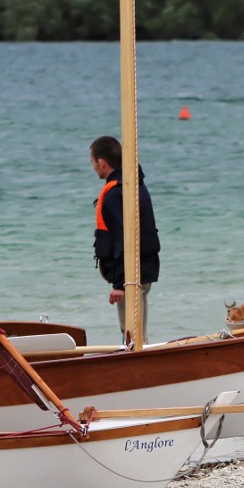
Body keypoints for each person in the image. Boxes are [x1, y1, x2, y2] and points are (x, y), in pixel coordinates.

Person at [89, 135, 160, 341]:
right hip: (143, 270)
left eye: (93, 163)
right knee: (138, 334)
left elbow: (124, 239)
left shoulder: (114, 195)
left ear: (102, 163)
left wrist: (121, 284)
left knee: (130, 334)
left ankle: (139, 366)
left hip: (131, 276)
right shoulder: (135, 183)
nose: (93, 168)